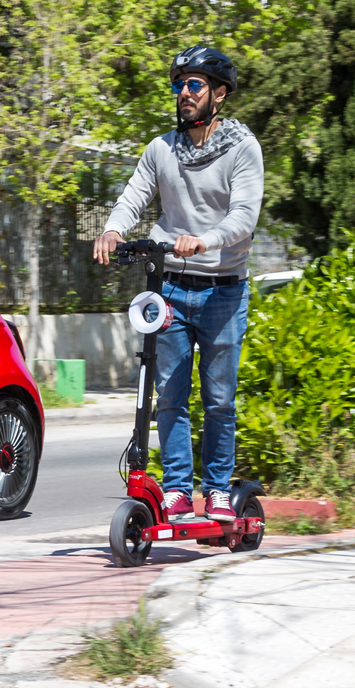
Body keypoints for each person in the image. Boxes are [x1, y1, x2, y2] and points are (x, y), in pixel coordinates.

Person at [93, 45, 263, 525]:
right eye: (179, 85)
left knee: (219, 397)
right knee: (167, 394)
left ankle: (218, 490)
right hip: (169, 287)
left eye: (195, 85)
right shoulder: (161, 149)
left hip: (223, 290)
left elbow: (244, 218)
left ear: (219, 94)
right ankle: (176, 492)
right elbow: (134, 195)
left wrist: (204, 241)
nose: (184, 93)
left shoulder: (243, 149)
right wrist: (112, 229)